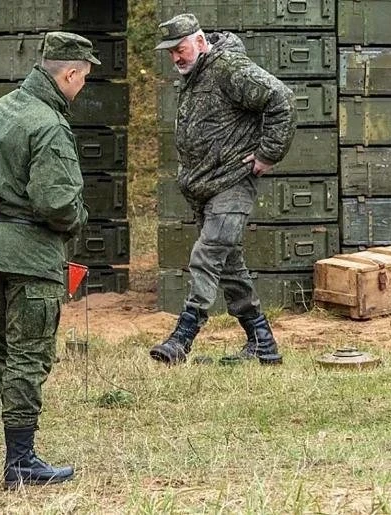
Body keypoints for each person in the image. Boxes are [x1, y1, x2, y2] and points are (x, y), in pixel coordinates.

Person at [0, 31, 93, 487]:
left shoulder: (1, 109)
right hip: (31, 255)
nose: (83, 87)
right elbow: (57, 202)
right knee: (28, 355)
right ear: (69, 74)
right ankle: (20, 460)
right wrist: (78, 218)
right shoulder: (49, 124)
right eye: (84, 77)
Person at [149, 13, 297, 366]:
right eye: (171, 52)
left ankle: (182, 337)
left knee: (208, 254)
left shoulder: (229, 68)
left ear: (200, 42)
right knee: (230, 267)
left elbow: (282, 99)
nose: (176, 57)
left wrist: (268, 154)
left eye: (181, 49)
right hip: (205, 187)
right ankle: (263, 344)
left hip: (233, 182)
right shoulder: (196, 73)